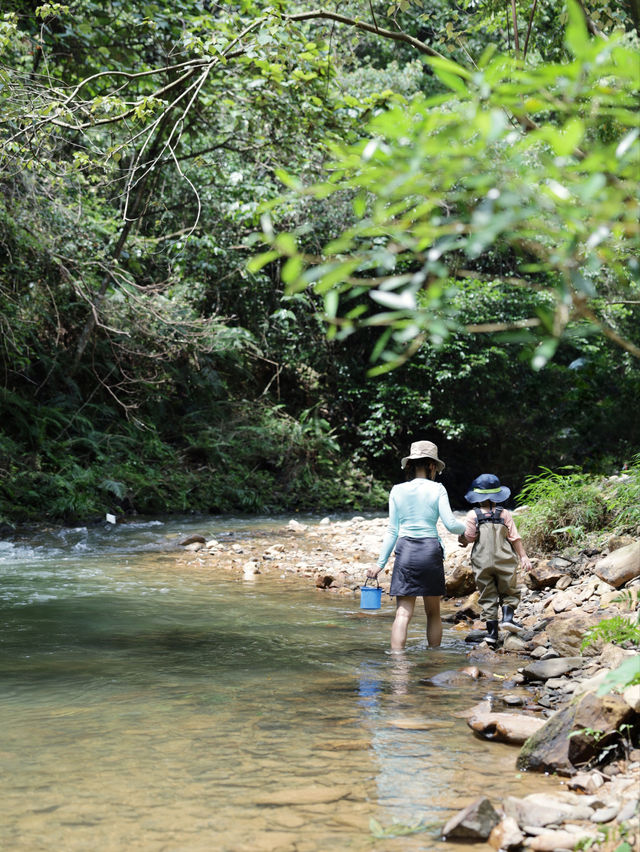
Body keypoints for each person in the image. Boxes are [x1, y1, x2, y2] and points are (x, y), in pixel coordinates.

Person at [367, 440, 465, 651]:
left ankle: (397, 665)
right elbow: (450, 525)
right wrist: (467, 530)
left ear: (411, 465)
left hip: (406, 553)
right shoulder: (438, 489)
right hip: (430, 552)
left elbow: (392, 530)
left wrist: (379, 563)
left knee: (402, 613)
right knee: (433, 613)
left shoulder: (396, 490)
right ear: (432, 466)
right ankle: (433, 662)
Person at [457, 473, 532, 645]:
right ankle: (507, 618)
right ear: (498, 496)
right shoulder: (504, 513)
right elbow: (514, 537)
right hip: (504, 559)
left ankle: (491, 634)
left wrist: (461, 539)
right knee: (509, 589)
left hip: (482, 561)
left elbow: (469, 537)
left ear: (477, 497)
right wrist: (523, 556)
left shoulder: (472, 515)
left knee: (487, 594)